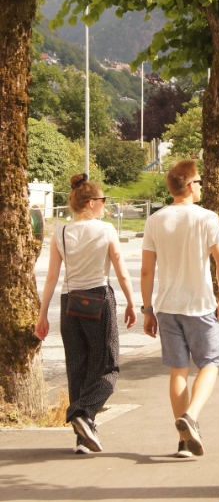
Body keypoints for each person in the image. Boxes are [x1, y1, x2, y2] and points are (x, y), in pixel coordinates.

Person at [35, 173, 137, 454]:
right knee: (107, 366)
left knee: (77, 369)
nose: (105, 205)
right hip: (98, 300)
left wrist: (42, 315)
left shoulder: (61, 232)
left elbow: (52, 277)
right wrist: (132, 303)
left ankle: (83, 438)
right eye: (103, 200)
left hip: (69, 304)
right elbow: (121, 271)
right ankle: (84, 412)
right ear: (91, 202)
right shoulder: (105, 230)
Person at [141, 160, 219, 458]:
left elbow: (145, 271)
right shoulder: (207, 218)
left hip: (167, 307)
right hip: (201, 305)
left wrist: (147, 309)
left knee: (177, 372)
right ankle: (191, 417)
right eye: (200, 182)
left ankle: (183, 443)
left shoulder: (155, 220)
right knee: (210, 363)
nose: (201, 186)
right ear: (190, 186)